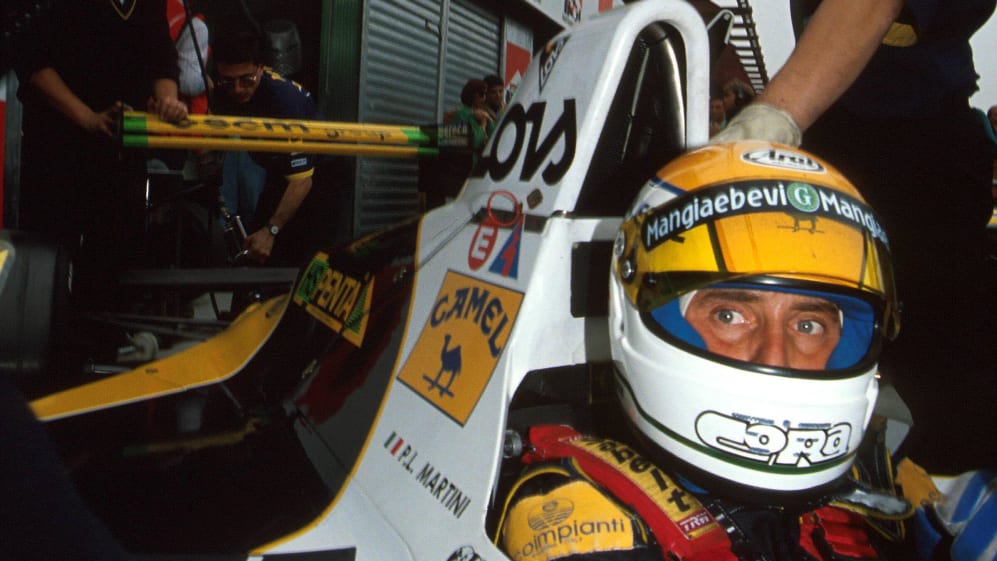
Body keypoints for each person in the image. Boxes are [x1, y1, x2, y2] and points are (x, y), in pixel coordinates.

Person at [494, 141, 994, 561]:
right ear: (635, 318)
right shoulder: (578, 520)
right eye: (730, 315)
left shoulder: (878, 475)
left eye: (807, 324)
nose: (774, 355)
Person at [709, 0, 996, 474]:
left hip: (917, 153)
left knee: (949, 393)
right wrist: (726, 65)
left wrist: (773, 118)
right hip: (834, 134)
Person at [13, 0, 189, 308]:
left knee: (113, 253)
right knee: (50, 254)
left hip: (121, 147)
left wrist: (168, 100)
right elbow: (34, 64)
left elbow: (162, 60)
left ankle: (107, 327)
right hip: (57, 148)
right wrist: (89, 118)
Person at [210, 20, 335, 267]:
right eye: (228, 81)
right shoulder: (223, 88)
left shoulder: (284, 102)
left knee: (297, 258)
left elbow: (301, 181)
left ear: (260, 68)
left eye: (246, 79)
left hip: (316, 178)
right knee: (253, 248)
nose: (237, 89)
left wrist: (272, 230)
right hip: (279, 172)